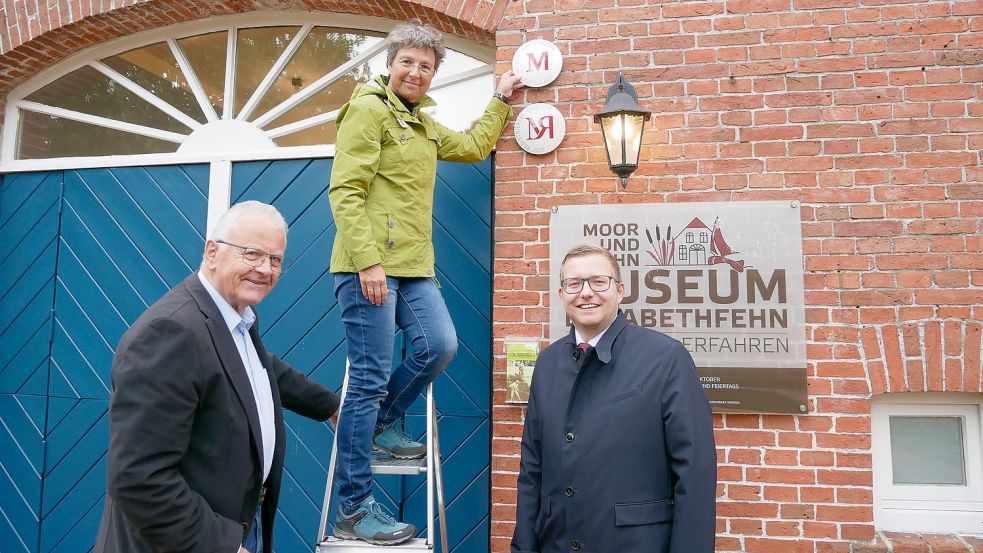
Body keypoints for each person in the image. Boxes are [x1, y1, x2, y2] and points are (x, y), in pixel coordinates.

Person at [327, 19, 523, 545]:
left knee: (439, 345)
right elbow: (345, 191)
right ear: (389, 64)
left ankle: (384, 424)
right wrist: (367, 262)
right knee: (366, 378)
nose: (416, 72)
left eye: (426, 66)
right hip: (367, 265)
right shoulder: (367, 110)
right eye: (408, 62)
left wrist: (500, 100)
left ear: (434, 75)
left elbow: (475, 146)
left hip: (414, 266)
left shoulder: (424, 124)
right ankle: (352, 508)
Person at [94, 201, 340, 553]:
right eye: (252, 253)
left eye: (275, 259)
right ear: (212, 252)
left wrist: (331, 406)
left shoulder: (234, 319)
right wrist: (221, 546)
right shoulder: (170, 332)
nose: (265, 269)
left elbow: (260, 368)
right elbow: (138, 478)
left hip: (234, 528)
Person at [511, 244, 717, 553]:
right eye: (574, 283)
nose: (586, 292)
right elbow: (532, 468)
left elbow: (694, 471)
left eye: (598, 281)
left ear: (619, 291)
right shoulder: (548, 363)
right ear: (561, 294)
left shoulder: (664, 357)